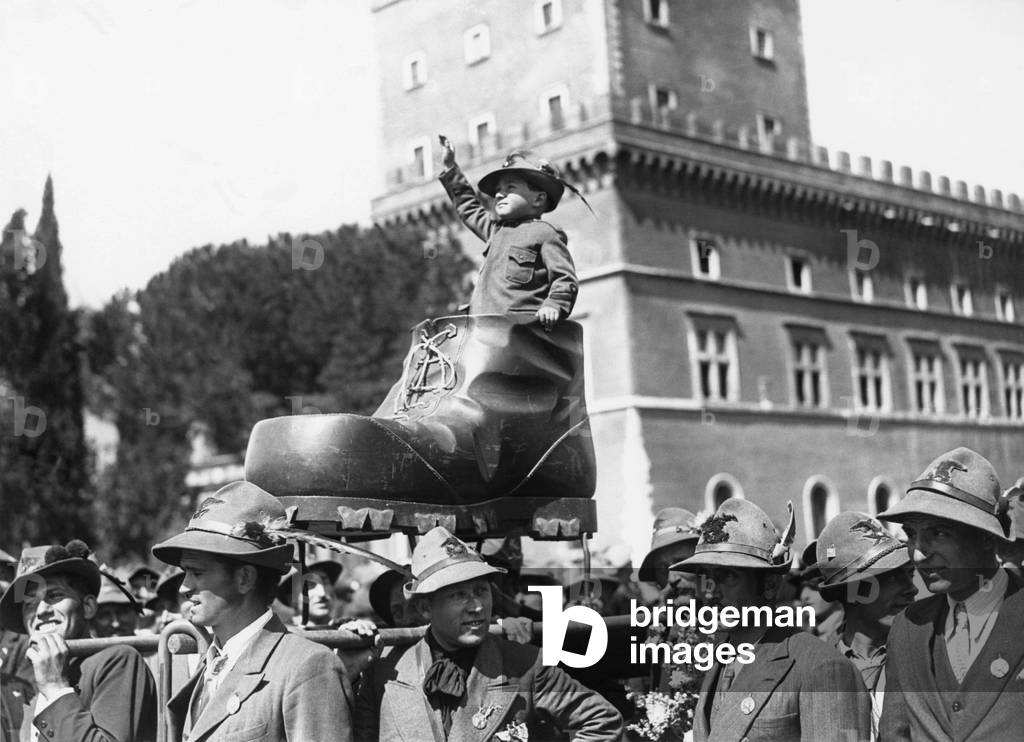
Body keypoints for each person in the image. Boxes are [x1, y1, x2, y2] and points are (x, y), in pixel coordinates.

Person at [354, 526, 623, 741]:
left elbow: (601, 721)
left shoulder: (526, 665)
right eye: (459, 595)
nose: (477, 606)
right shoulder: (386, 670)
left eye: (481, 591)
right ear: (425, 607)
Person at [153, 480, 354, 742]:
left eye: (197, 573)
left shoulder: (308, 666)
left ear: (245, 578)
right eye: (185, 573)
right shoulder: (211, 664)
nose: (184, 587)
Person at [674, 498, 870, 742]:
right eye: (707, 577)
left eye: (728, 577)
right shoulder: (719, 660)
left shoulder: (822, 668)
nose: (712, 592)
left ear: (769, 585)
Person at [877, 447, 1024, 740]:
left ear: (986, 537)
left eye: (939, 534)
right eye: (911, 534)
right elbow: (894, 733)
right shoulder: (908, 627)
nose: (918, 554)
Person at [0, 540, 157, 741]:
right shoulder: (33, 697)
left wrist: (55, 688)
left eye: (54, 596)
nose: (41, 611)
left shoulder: (118, 662)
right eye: (30, 604)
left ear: (88, 606)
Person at [437, 135, 579, 330]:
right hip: (481, 330)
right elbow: (469, 208)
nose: (499, 194)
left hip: (520, 334)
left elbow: (564, 278)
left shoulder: (545, 234)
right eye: (497, 189)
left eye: (510, 187)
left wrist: (553, 305)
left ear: (538, 199)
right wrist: (450, 168)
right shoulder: (496, 231)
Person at [814, 512, 918, 740]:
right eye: (891, 577)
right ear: (854, 592)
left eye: (909, 574)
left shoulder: (926, 653)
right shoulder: (812, 668)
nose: (911, 588)